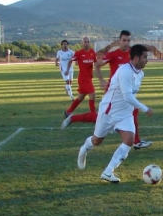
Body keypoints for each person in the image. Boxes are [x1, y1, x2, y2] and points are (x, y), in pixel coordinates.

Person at [77, 44, 153, 183]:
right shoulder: (125, 71)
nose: (147, 60)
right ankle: (84, 148)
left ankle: (108, 172)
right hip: (109, 112)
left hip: (125, 114)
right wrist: (145, 108)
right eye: (145, 57)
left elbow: (131, 96)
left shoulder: (140, 73)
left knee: (129, 140)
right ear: (136, 58)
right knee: (97, 140)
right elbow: (127, 96)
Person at [94, 30, 152, 149]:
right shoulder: (113, 54)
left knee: (133, 111)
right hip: (115, 92)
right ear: (119, 41)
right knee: (106, 118)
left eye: (128, 40)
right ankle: (74, 118)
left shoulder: (134, 54)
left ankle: (135, 140)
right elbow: (97, 65)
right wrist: (101, 80)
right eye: (124, 40)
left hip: (128, 91)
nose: (126, 43)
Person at [61, 37, 98, 128]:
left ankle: (68, 112)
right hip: (83, 79)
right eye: (85, 42)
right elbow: (70, 60)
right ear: (82, 43)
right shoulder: (79, 53)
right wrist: (67, 70)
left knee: (80, 98)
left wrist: (97, 69)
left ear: (89, 43)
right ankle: (94, 116)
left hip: (89, 78)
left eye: (88, 42)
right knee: (92, 94)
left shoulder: (92, 52)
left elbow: (96, 62)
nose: (86, 43)